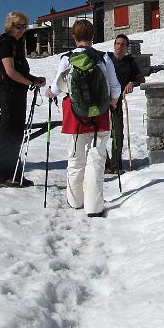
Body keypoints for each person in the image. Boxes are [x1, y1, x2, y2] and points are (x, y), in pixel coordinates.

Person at [45, 19, 120, 217]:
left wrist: (48, 93)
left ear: (74, 37)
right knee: (96, 160)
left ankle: (74, 200)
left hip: (75, 116)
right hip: (100, 115)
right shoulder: (104, 58)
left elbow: (55, 88)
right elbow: (115, 88)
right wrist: (112, 102)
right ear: (93, 36)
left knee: (75, 159)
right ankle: (94, 207)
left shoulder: (67, 59)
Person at [0, 12, 46, 188]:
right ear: (10, 25)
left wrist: (33, 79)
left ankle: (13, 173)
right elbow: (10, 71)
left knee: (15, 133)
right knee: (8, 132)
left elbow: (19, 71)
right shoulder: (6, 43)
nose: (22, 29)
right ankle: (2, 176)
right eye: (18, 26)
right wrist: (31, 81)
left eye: (25, 26)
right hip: (9, 92)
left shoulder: (16, 43)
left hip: (16, 92)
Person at [106, 34, 146, 174]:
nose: (119, 47)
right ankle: (105, 164)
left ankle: (115, 165)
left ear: (127, 47)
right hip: (102, 101)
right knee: (100, 133)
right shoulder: (106, 59)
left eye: (122, 44)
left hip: (118, 101)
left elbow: (141, 79)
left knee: (117, 133)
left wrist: (132, 83)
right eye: (117, 44)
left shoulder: (129, 61)